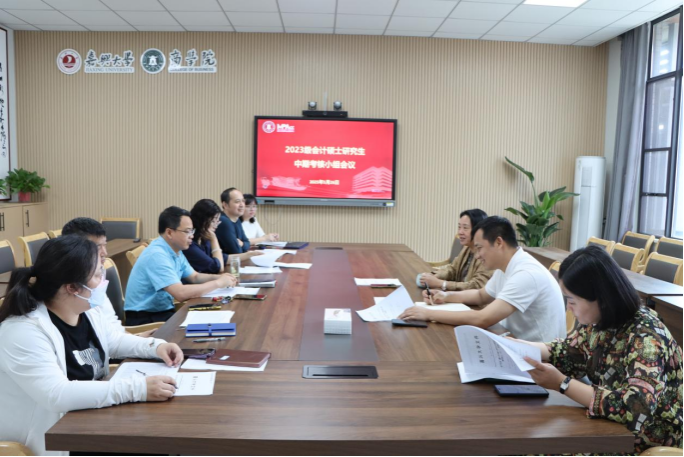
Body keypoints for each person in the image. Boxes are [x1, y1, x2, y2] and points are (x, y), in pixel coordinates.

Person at [0, 236, 183, 456]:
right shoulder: (22, 331)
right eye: (97, 274)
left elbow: (114, 341)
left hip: (93, 418)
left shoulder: (85, 310)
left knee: (163, 434)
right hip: (55, 438)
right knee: (156, 444)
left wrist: (155, 347)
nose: (103, 280)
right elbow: (57, 394)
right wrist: (139, 389)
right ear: (72, 288)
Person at [517, 246, 682, 454]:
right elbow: (570, 352)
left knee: (535, 446)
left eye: (572, 300)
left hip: (644, 440)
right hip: (610, 427)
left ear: (601, 299)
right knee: (530, 434)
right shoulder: (601, 321)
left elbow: (635, 408)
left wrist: (562, 383)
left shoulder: (646, 337)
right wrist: (518, 346)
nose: (569, 308)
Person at [399, 216, 566, 342]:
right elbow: (481, 295)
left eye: (479, 248)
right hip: (513, 341)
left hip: (539, 359)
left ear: (499, 242)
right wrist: (446, 296)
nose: (477, 256)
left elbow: (483, 319)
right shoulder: (507, 266)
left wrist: (428, 314)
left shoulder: (525, 274)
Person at [124, 206, 237, 326]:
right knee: (212, 326)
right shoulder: (157, 255)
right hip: (145, 318)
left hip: (162, 312)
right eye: (187, 231)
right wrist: (218, 283)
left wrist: (222, 278)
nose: (192, 236)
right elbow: (180, 293)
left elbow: (194, 277)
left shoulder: (175, 250)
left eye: (192, 231)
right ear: (169, 232)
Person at [62, 217, 156, 337]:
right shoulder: (72, 294)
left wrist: (139, 339)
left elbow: (112, 327)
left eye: (104, 245)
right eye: (97, 247)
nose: (105, 253)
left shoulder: (96, 282)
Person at [419, 209, 493, 292]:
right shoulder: (467, 247)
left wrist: (440, 283)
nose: (460, 232)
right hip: (458, 295)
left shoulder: (487, 255)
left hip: (469, 299)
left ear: (478, 230)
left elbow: (476, 286)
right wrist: (434, 276)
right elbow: (452, 270)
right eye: (459, 227)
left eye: (465, 228)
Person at [215, 188, 264, 261]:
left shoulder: (237, 219)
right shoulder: (224, 221)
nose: (242, 205)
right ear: (225, 205)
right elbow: (237, 251)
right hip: (224, 264)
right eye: (237, 202)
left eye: (243, 201)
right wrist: (243, 245)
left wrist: (243, 244)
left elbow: (247, 242)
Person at [184, 199, 229, 274]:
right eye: (213, 221)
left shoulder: (204, 238)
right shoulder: (189, 243)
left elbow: (223, 258)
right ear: (202, 220)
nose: (216, 225)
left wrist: (248, 255)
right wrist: (214, 239)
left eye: (217, 221)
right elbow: (218, 267)